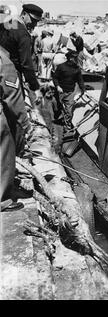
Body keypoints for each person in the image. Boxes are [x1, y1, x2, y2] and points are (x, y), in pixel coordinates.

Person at [0, 47, 31, 211]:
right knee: (5, 151)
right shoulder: (4, 61)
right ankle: (2, 199)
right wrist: (25, 125)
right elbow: (13, 99)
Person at [0, 3, 43, 102]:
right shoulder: (23, 34)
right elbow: (26, 64)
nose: (35, 24)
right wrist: (35, 87)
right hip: (11, 74)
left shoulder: (8, 24)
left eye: (37, 21)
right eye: (33, 20)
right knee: (18, 107)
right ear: (24, 14)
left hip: (1, 68)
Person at [52, 50, 85, 119]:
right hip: (60, 91)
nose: (77, 60)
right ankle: (57, 117)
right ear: (70, 58)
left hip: (70, 92)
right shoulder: (61, 67)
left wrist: (83, 89)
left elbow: (80, 80)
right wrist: (57, 86)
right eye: (75, 58)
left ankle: (67, 126)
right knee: (56, 104)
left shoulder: (77, 69)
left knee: (69, 112)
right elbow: (55, 77)